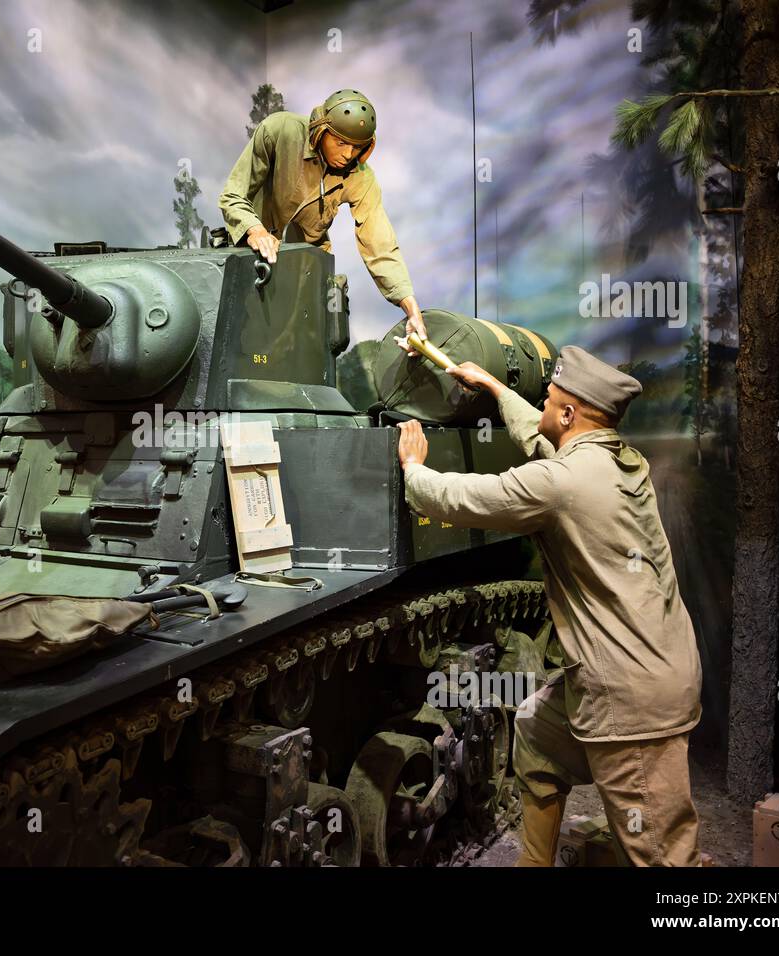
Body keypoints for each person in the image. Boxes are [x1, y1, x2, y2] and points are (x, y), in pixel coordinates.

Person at [395, 346, 703, 866]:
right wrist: (494, 388)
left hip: (630, 700)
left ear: (567, 413)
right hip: (651, 668)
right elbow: (546, 443)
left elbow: (468, 498)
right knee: (536, 735)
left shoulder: (561, 482)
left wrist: (414, 470)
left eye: (549, 398)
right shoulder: (619, 461)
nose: (542, 403)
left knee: (662, 854)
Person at [218, 88, 428, 352]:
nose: (348, 154)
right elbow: (233, 194)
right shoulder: (280, 131)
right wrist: (254, 229)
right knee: (243, 343)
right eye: (340, 143)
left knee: (301, 349)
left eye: (357, 147)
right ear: (320, 131)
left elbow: (379, 244)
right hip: (251, 255)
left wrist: (410, 307)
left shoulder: (361, 177)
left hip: (305, 270)